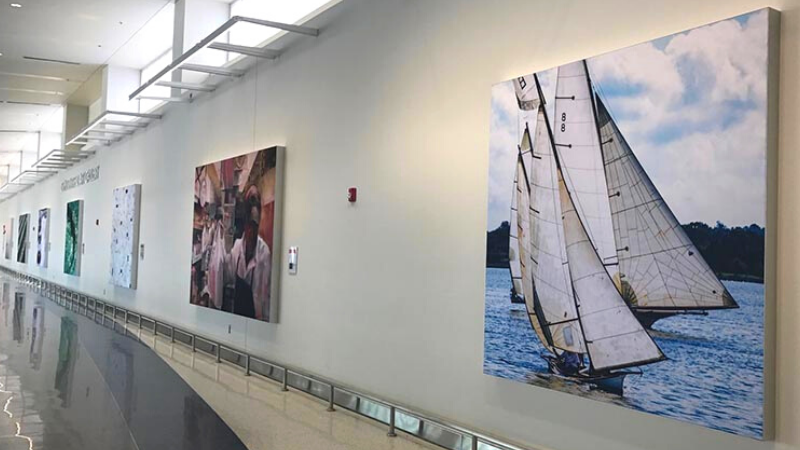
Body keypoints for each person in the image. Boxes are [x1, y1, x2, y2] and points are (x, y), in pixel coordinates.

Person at [224, 186, 272, 320]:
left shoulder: (264, 253)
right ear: (245, 225)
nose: (251, 232)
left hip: (256, 318)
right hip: (238, 314)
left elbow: (265, 296)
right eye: (249, 226)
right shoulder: (237, 248)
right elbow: (228, 275)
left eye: (255, 226)